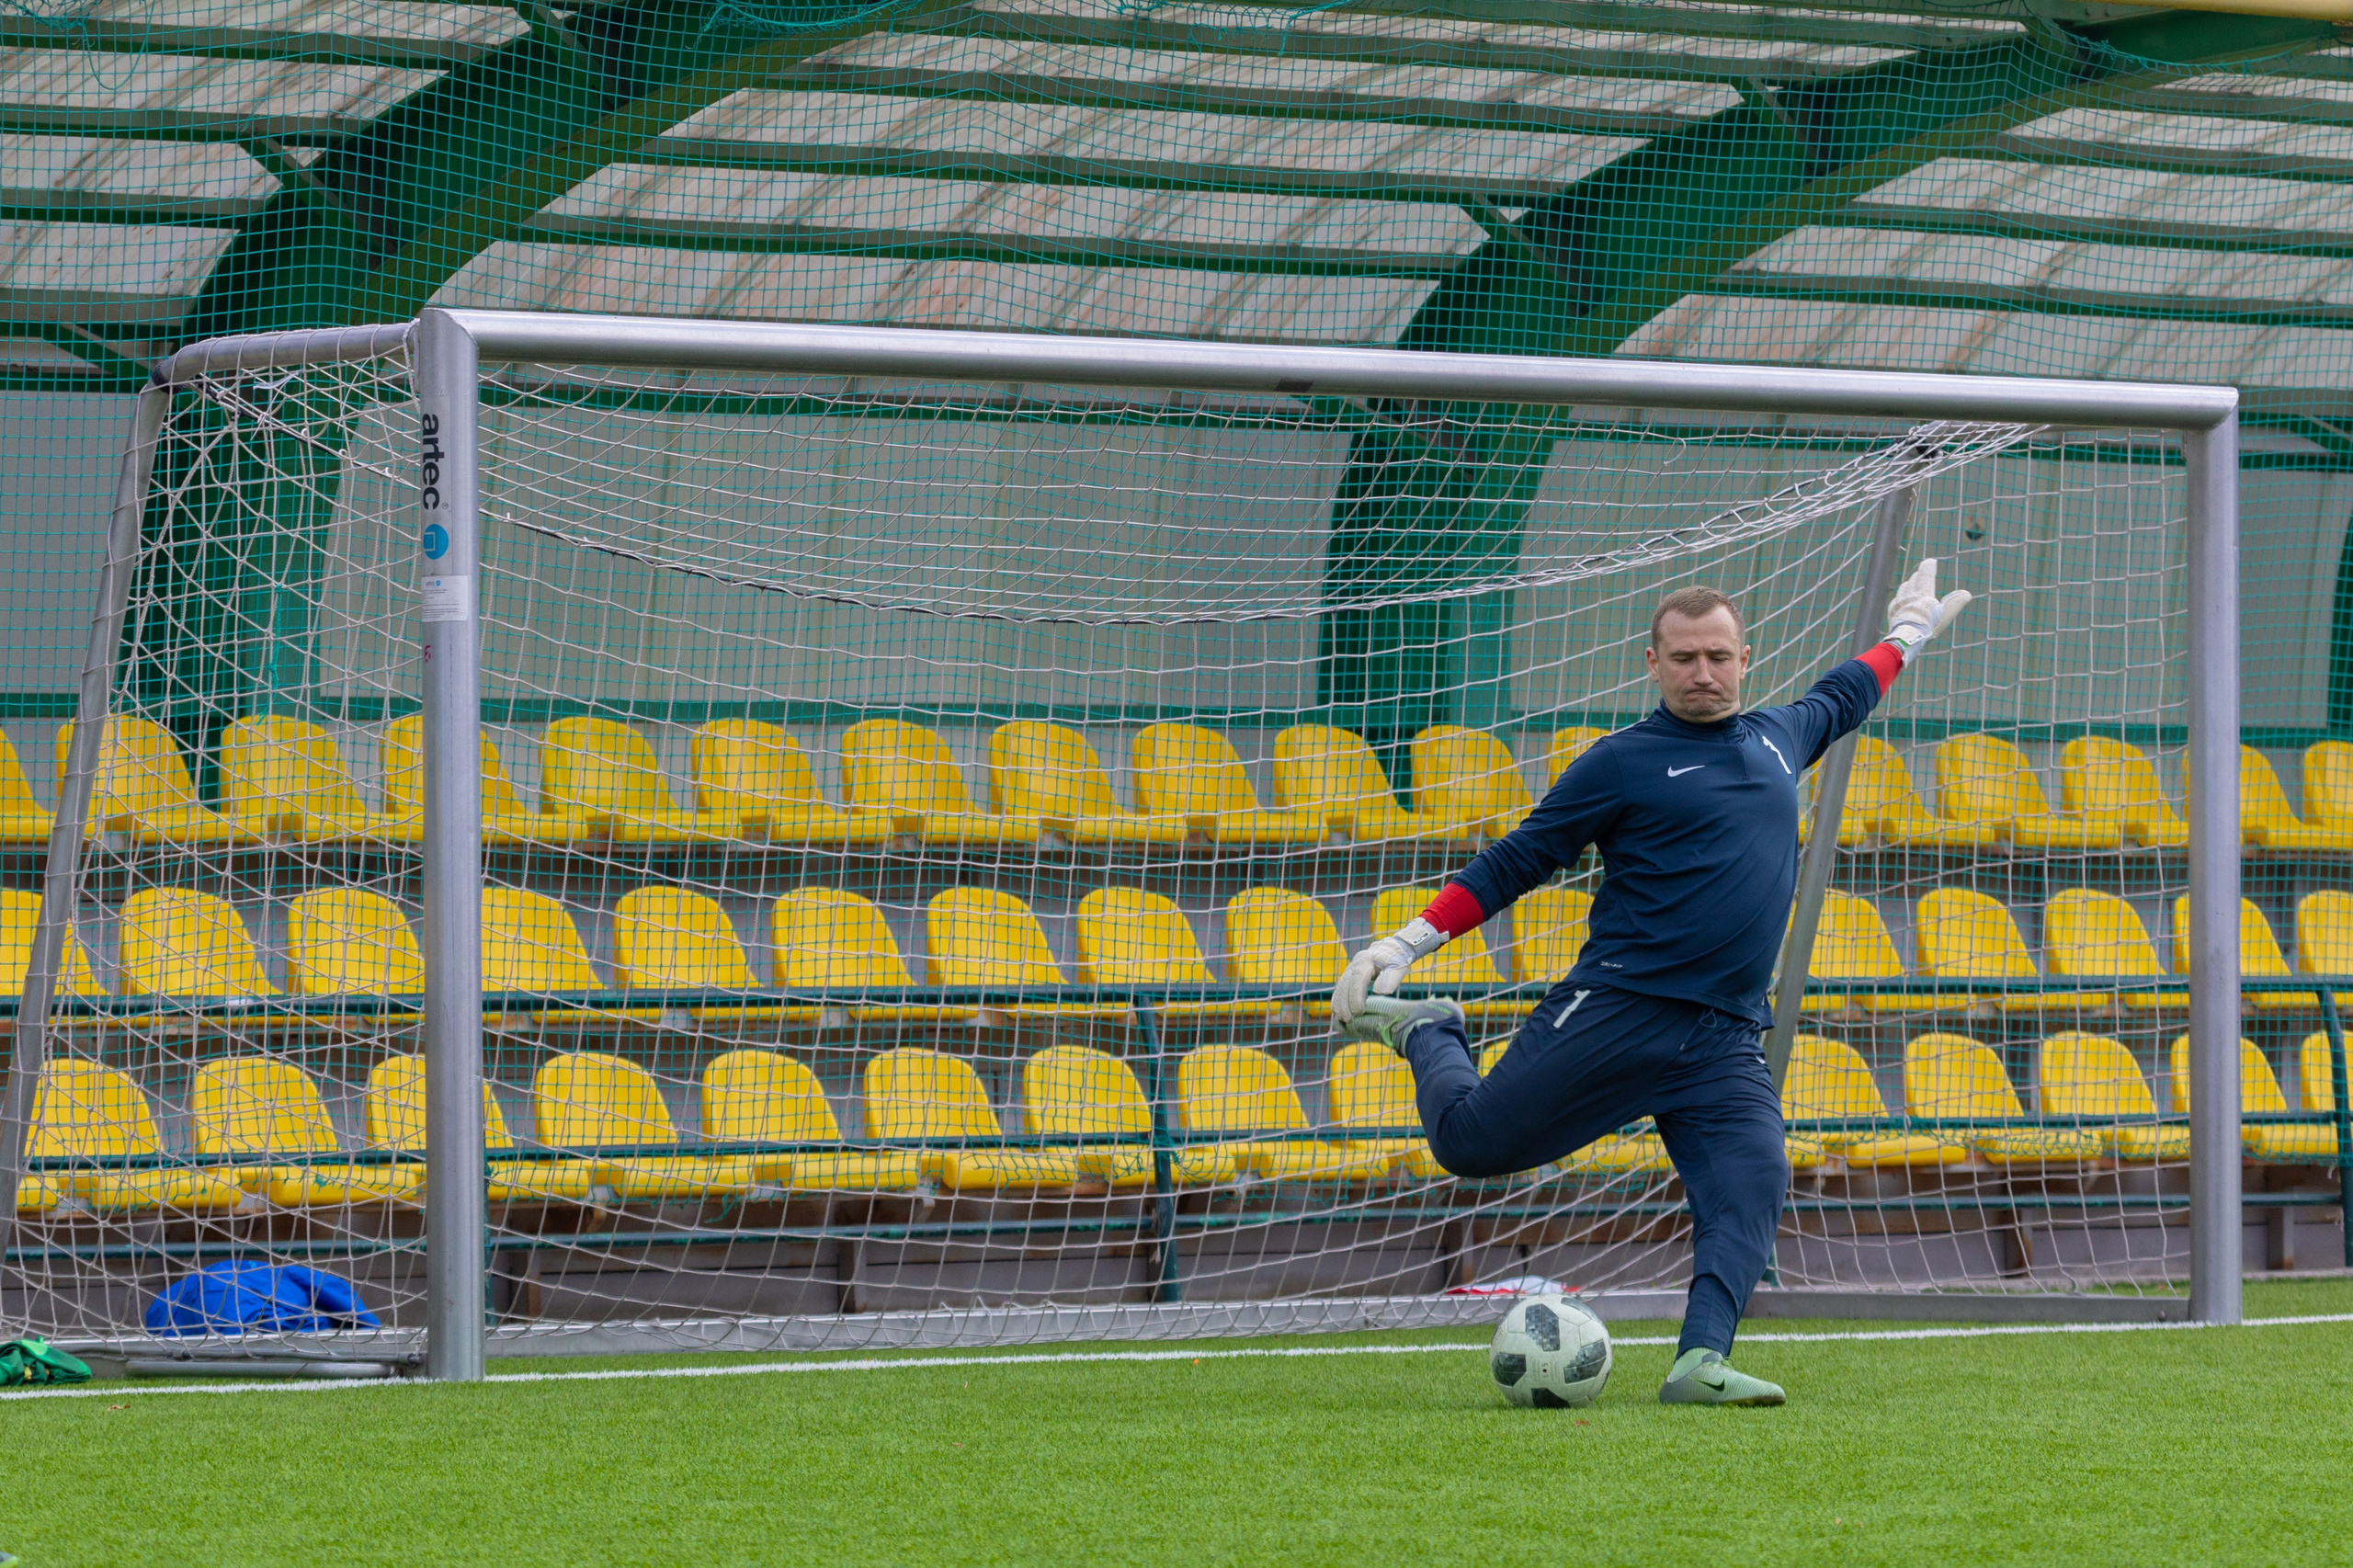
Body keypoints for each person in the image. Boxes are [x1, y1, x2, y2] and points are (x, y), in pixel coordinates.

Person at [1332, 561, 1972, 1406]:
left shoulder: (1784, 735)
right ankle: (1430, 1031)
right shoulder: (1621, 763)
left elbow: (1851, 690)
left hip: (1725, 1036)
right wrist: (1409, 943)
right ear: (1653, 663)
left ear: (1747, 657)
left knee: (1752, 1179)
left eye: (1718, 655)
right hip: (1620, 1012)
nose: (1702, 672)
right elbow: (1519, 858)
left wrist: (1909, 632)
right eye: (1683, 659)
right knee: (1472, 1148)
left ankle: (1699, 1362)